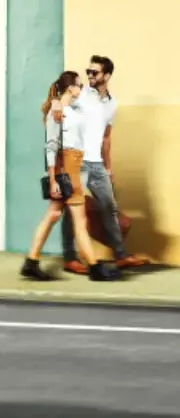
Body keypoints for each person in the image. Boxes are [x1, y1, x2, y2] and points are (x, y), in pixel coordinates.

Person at [21, 71, 121, 282]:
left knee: (54, 215)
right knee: (79, 218)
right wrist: (54, 178)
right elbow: (51, 145)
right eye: (79, 85)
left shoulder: (73, 109)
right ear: (71, 88)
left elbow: (93, 108)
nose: (82, 88)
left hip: (74, 162)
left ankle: (31, 261)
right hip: (66, 165)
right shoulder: (56, 113)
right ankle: (94, 266)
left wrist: (58, 101)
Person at [52, 55, 146, 273]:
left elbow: (106, 136)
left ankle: (120, 255)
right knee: (71, 210)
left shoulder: (111, 104)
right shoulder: (81, 93)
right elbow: (58, 104)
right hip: (76, 159)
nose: (90, 76)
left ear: (107, 76)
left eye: (95, 72)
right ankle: (69, 257)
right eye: (89, 72)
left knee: (108, 207)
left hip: (96, 163)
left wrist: (108, 166)